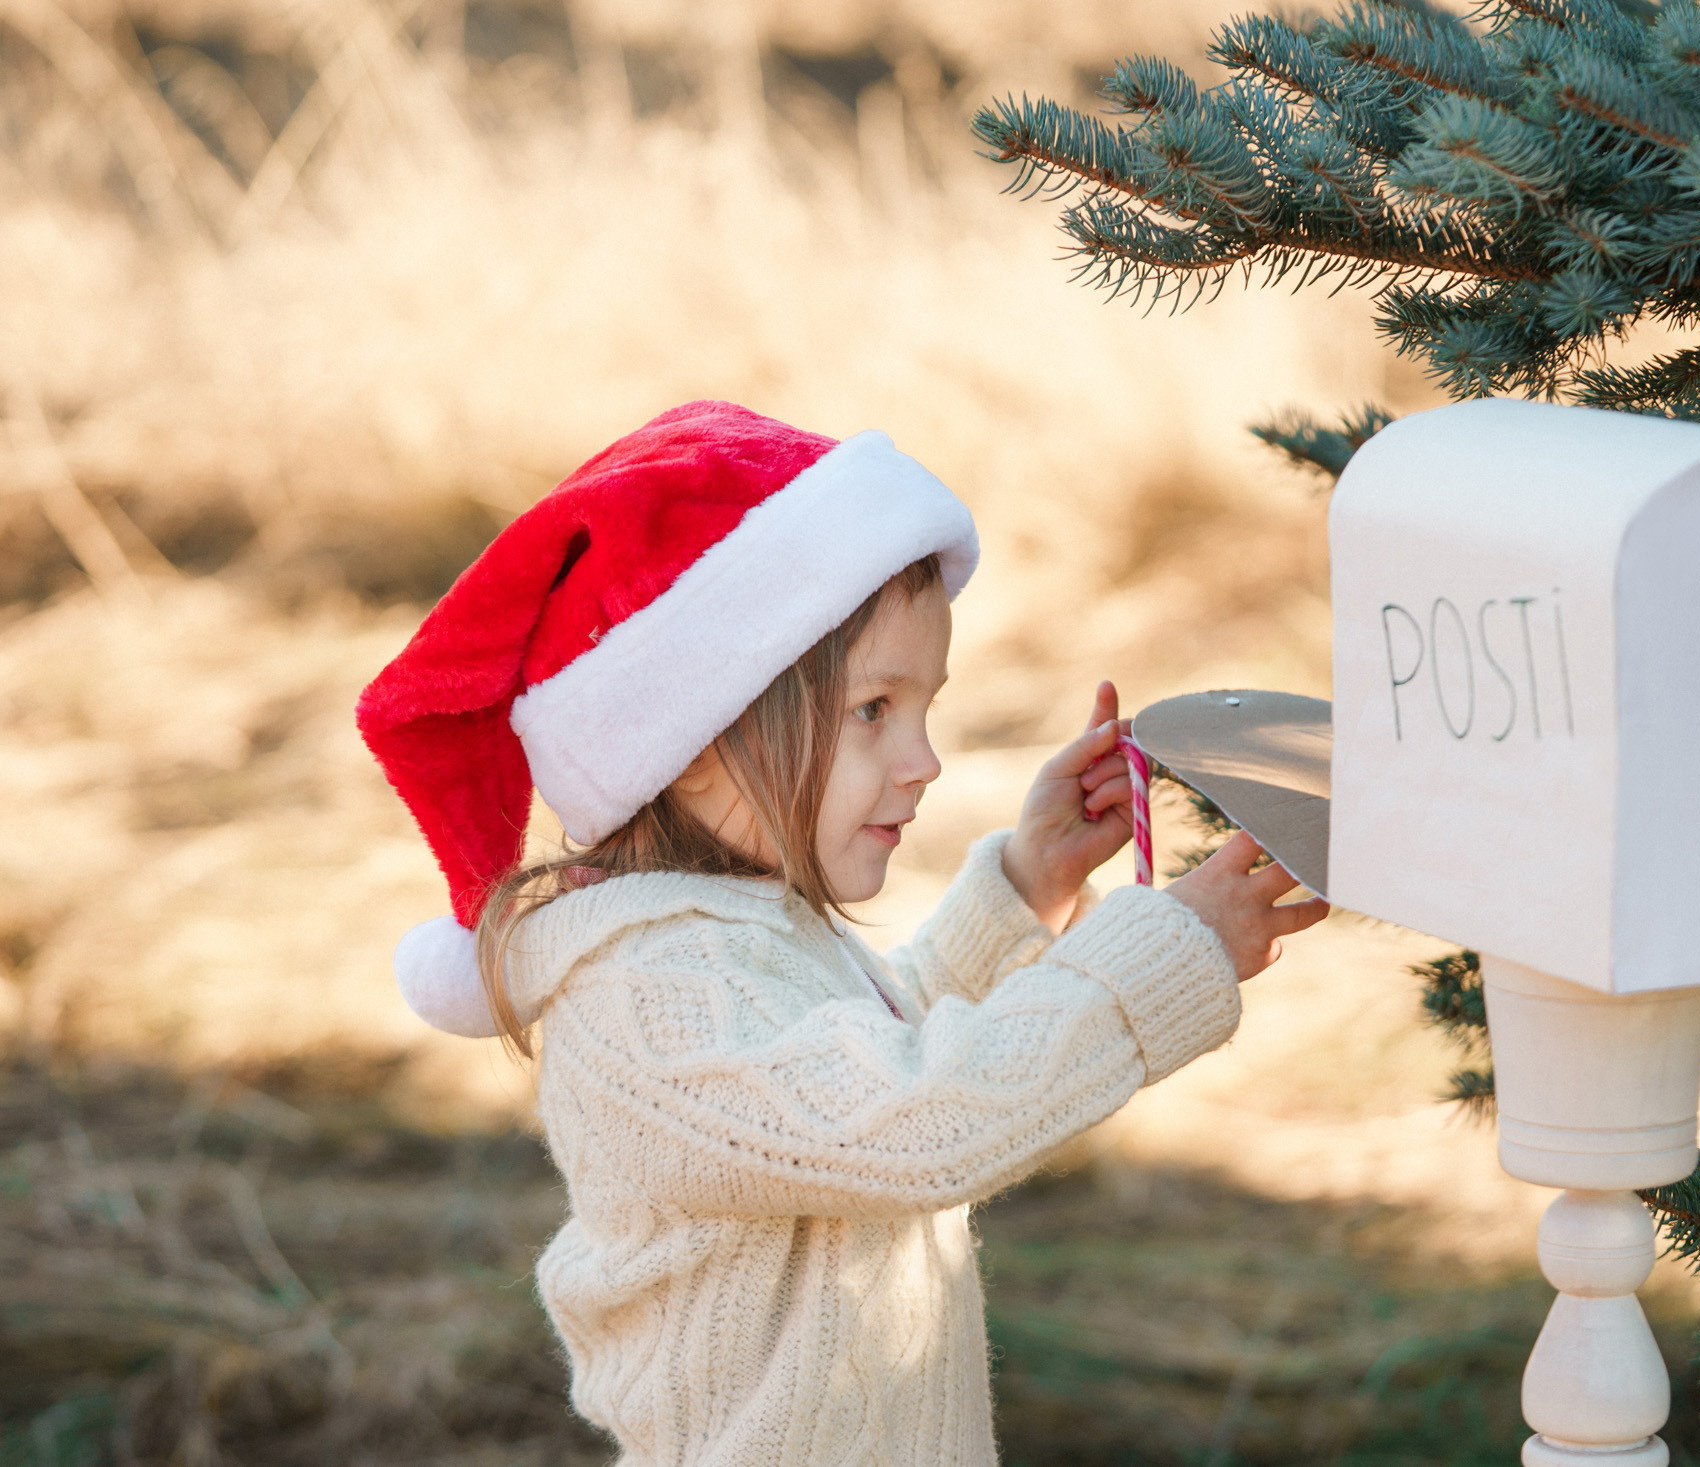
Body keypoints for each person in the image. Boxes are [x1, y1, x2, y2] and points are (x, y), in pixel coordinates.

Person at [356, 401, 1329, 1466]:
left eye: (925, 707)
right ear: (690, 740)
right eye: (874, 709)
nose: (923, 760)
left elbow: (869, 1051)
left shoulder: (737, 930)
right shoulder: (647, 997)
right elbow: (911, 1120)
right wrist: (1166, 953)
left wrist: (1021, 886)